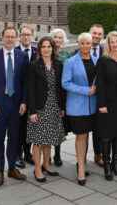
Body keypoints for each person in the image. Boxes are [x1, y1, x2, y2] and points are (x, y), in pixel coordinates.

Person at [0, 26, 29, 186]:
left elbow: (25, 82)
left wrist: (24, 101)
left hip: (17, 105)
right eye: (7, 37)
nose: (10, 39)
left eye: (13, 37)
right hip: (0, 105)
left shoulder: (22, 56)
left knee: (14, 138)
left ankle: (11, 168)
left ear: (16, 39)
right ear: (2, 38)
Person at [26, 37, 65, 182]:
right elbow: (30, 89)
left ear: (53, 48)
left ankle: (46, 165)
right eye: (43, 46)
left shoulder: (59, 65)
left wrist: (62, 107)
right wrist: (32, 111)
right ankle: (37, 169)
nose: (46, 49)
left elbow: (61, 88)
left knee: (49, 139)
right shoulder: (34, 65)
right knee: (38, 140)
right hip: (40, 107)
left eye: (49, 46)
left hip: (54, 106)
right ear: (39, 49)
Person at [62, 33, 97, 186]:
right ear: (78, 44)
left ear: (92, 44)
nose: (85, 46)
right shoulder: (70, 62)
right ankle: (81, 169)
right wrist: (85, 90)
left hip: (93, 106)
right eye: (82, 43)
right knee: (81, 136)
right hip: (77, 106)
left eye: (88, 43)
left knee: (87, 135)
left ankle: (82, 162)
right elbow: (65, 83)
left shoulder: (97, 60)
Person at [96, 31, 117, 180]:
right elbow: (100, 83)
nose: (115, 44)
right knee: (106, 135)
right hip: (107, 103)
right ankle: (107, 166)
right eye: (112, 42)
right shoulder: (103, 60)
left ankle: (116, 163)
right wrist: (101, 103)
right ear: (108, 44)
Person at [15, 26, 37, 169]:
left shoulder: (37, 52)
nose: (26, 37)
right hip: (18, 97)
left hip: (33, 96)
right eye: (23, 34)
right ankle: (17, 155)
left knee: (30, 127)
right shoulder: (14, 52)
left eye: (28, 35)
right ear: (19, 37)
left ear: (32, 36)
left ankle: (28, 154)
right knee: (18, 127)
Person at [50, 28, 70, 166]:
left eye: (60, 38)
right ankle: (45, 155)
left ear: (64, 41)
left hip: (61, 94)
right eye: (55, 37)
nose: (57, 40)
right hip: (47, 94)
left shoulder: (66, 55)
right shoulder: (45, 52)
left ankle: (57, 154)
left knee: (58, 126)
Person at [89, 24, 105, 167]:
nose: (97, 36)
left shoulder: (105, 51)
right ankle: (81, 157)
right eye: (94, 33)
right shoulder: (80, 50)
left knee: (99, 128)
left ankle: (98, 154)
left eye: (99, 34)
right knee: (83, 130)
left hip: (101, 97)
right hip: (86, 96)